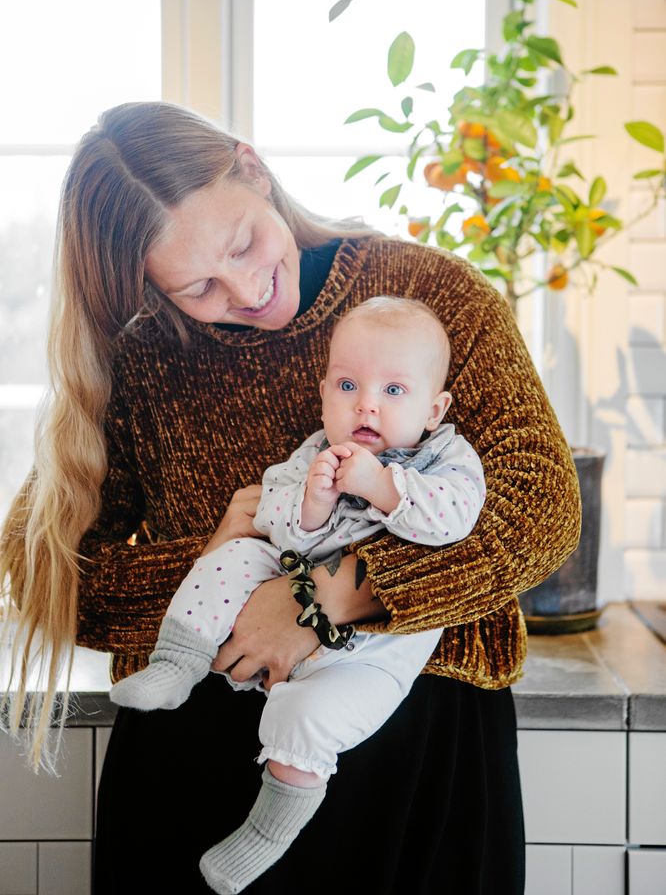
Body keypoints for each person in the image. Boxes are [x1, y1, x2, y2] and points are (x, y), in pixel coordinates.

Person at [0, 101, 581, 895]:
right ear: (148, 286)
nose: (245, 287)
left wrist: (320, 597)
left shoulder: (426, 292)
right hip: (194, 760)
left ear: (254, 167)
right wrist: (219, 577)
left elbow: (542, 508)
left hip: (414, 746)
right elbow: (46, 567)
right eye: (199, 284)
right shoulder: (138, 359)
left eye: (243, 242)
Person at [109, 296, 486, 893]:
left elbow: (455, 523)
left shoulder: (447, 458)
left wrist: (381, 485)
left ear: (434, 408)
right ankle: (175, 662)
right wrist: (309, 506)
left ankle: (264, 836)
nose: (366, 403)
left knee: (306, 722)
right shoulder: (313, 452)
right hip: (275, 592)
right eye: (347, 384)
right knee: (232, 554)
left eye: (394, 391)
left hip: (376, 646)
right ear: (323, 393)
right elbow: (276, 520)